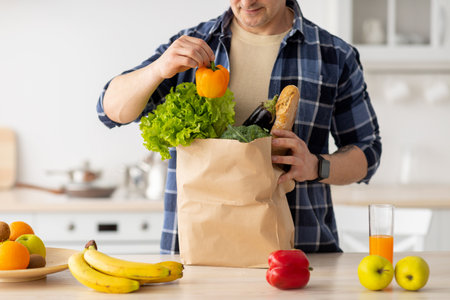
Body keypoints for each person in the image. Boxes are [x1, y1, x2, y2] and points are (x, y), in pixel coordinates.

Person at [97, 0, 381, 254]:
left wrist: (316, 165)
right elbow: (110, 111)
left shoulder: (334, 55)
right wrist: (158, 69)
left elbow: (368, 152)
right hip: (197, 253)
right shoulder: (194, 44)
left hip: (298, 254)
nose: (246, 1)